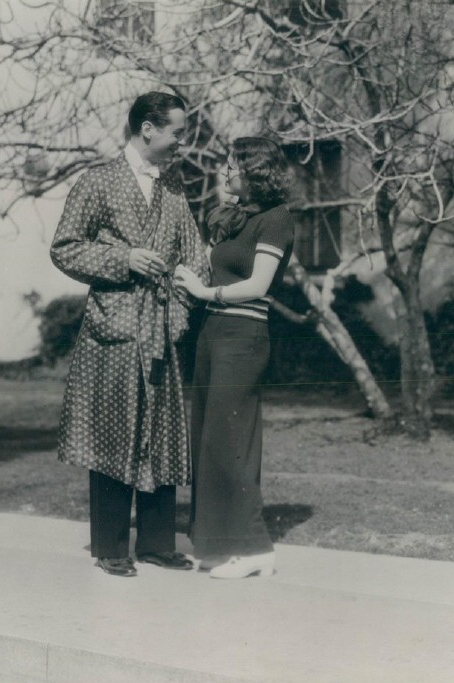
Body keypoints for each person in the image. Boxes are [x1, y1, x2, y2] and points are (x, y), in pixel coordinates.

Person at [51, 92, 209, 578]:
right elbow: (65, 248)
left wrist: (179, 314)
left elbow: (194, 257)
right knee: (113, 436)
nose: (184, 141)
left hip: (161, 330)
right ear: (147, 129)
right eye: (177, 132)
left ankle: (158, 543)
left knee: (160, 436)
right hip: (112, 332)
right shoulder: (97, 182)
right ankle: (111, 546)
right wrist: (123, 260)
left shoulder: (176, 190)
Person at [174, 137, 295, 579]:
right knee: (208, 439)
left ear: (255, 171)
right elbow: (210, 266)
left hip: (243, 335)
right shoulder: (234, 218)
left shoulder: (277, 220)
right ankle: (217, 544)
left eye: (231, 167)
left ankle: (254, 549)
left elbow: (259, 285)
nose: (225, 173)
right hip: (212, 333)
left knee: (232, 442)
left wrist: (206, 292)